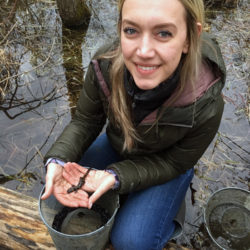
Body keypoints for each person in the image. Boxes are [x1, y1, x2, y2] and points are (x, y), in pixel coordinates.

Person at [41, 0, 226, 249]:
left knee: (131, 241)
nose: (144, 51)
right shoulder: (104, 65)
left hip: (167, 162)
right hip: (120, 145)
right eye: (131, 30)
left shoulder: (206, 100)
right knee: (65, 185)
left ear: (189, 39)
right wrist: (58, 160)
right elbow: (86, 121)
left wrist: (116, 176)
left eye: (163, 33)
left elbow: (175, 162)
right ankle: (128, 195)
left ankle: (168, 210)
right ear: (120, 29)